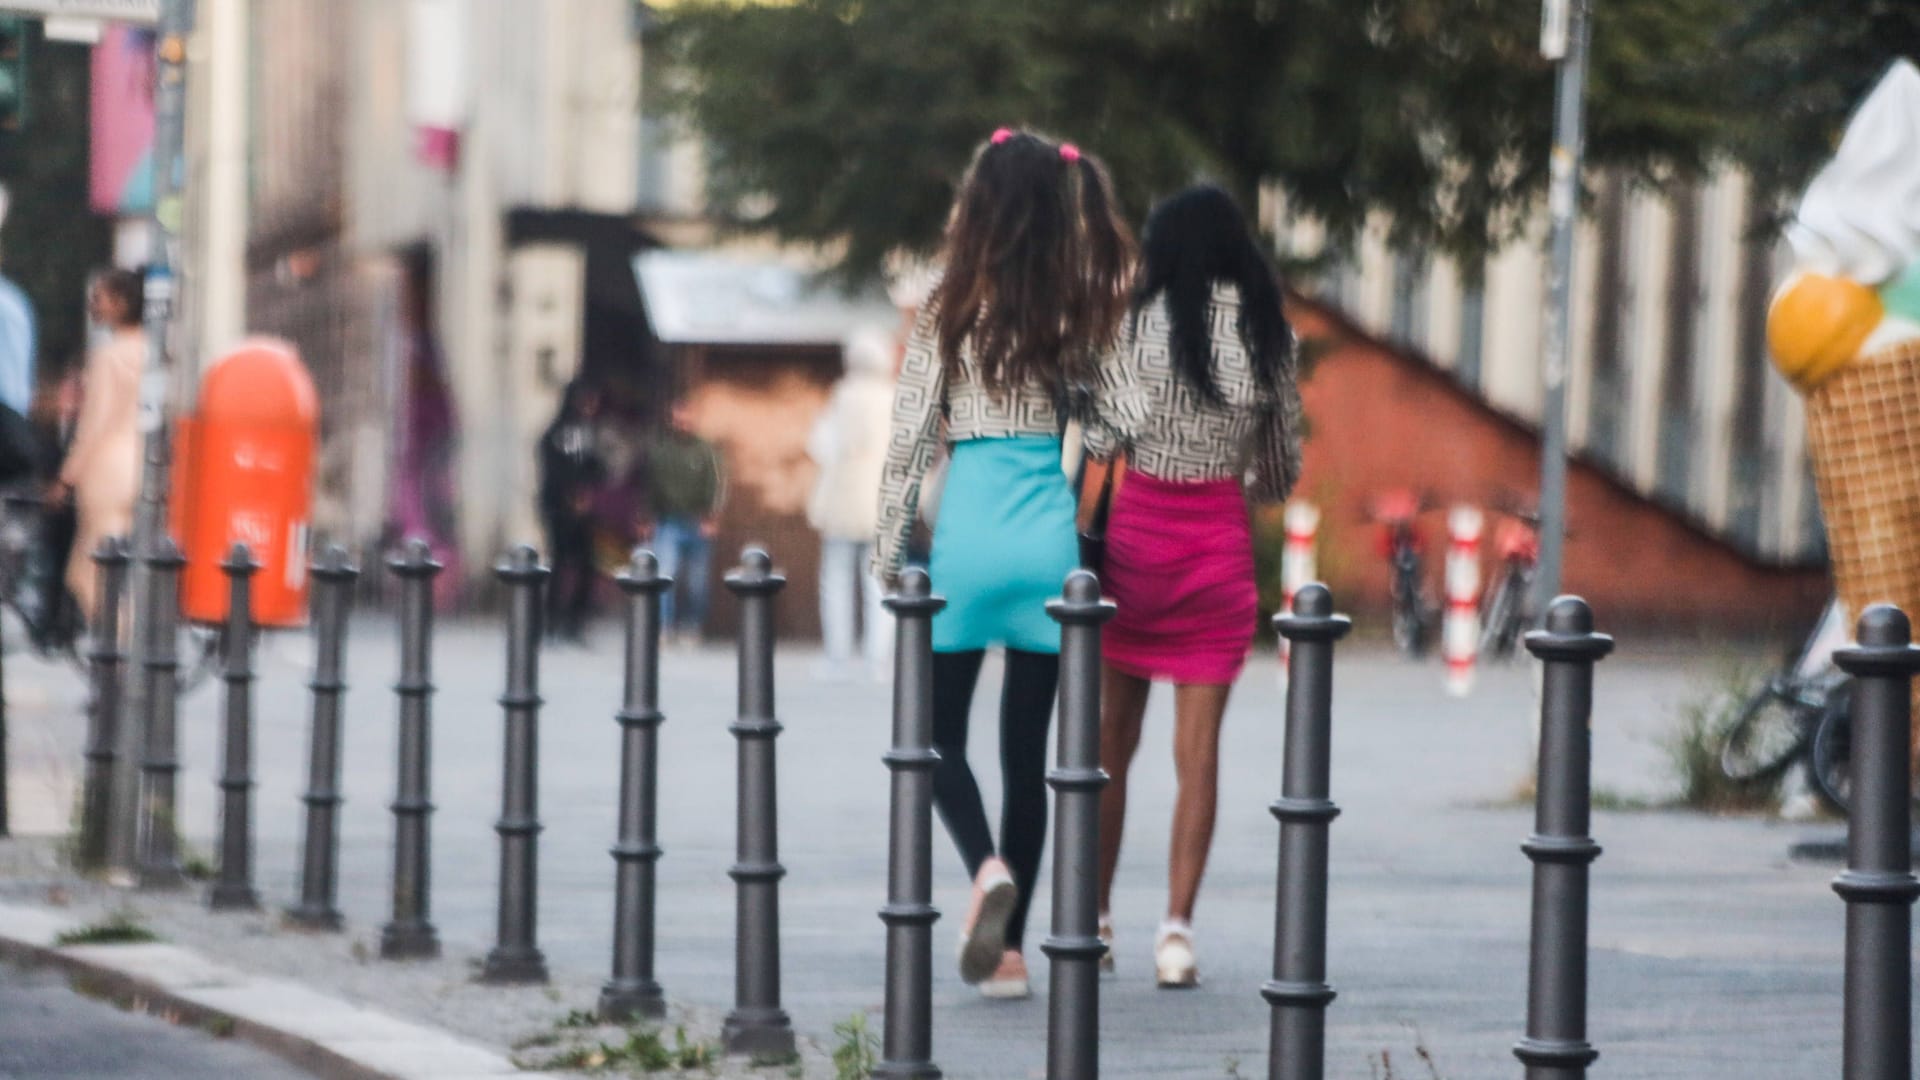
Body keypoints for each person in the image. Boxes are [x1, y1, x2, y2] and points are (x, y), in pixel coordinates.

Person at [873, 127, 1133, 999]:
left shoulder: (950, 301)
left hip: (971, 537)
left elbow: (908, 438)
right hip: (1048, 545)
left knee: (936, 734)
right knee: (1032, 758)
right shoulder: (1073, 307)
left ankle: (983, 868)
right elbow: (1110, 429)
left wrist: (886, 552)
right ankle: (1011, 957)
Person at [1084, 185, 1303, 989]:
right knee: (1197, 754)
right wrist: (1235, 462)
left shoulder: (1134, 326)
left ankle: (1097, 918)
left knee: (1111, 743)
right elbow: (1280, 472)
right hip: (1217, 546)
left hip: (1137, 544)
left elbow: (1103, 435)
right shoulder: (1267, 334)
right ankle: (1175, 933)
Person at [807, 325, 898, 679]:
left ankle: (838, 655)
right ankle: (877, 658)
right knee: (878, 581)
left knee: (836, 579)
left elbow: (820, 444)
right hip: (881, 500)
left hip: (842, 498)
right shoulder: (892, 397)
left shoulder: (841, 396)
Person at [55, 268, 146, 621]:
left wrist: (67, 477)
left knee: (87, 572)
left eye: (100, 298)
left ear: (121, 303)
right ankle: (126, 650)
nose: (94, 306)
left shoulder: (109, 355)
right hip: (141, 468)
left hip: (107, 471)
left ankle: (120, 651)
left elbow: (95, 423)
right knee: (117, 568)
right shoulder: (155, 352)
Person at [538, 380, 609, 642]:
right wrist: (571, 494)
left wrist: (590, 486)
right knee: (559, 562)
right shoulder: (557, 432)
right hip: (558, 507)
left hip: (584, 511)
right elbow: (553, 469)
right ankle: (552, 620)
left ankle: (575, 621)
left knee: (587, 565)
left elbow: (597, 466)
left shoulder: (589, 432)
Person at [648, 402, 725, 642]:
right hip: (668, 521)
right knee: (665, 575)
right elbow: (650, 487)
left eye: (687, 419)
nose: (683, 424)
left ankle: (691, 627)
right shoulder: (662, 450)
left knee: (696, 582)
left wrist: (712, 517)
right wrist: (648, 517)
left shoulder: (706, 451)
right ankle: (664, 625)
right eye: (678, 419)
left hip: (696, 521)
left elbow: (717, 485)